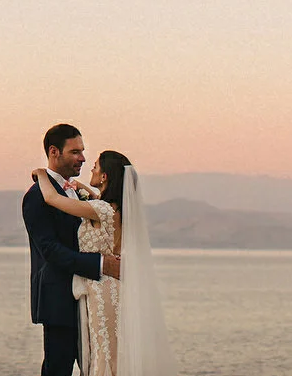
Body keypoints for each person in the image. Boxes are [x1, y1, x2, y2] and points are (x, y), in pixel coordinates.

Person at [31, 149, 179, 376]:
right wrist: (83, 188)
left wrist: (42, 174)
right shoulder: (116, 209)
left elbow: (52, 199)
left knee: (103, 355)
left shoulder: (100, 210)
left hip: (101, 291)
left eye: (97, 166)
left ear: (105, 177)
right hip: (112, 288)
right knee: (112, 352)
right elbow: (99, 203)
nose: (91, 167)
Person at [21, 124, 120, 376]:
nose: (83, 158)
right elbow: (50, 251)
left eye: (83, 151)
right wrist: (100, 264)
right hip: (60, 299)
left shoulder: (77, 192)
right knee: (58, 369)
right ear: (54, 152)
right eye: (75, 152)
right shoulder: (37, 197)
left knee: (96, 366)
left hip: (93, 297)